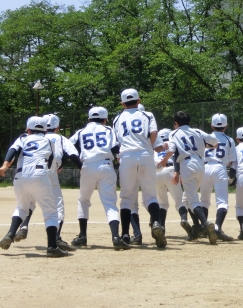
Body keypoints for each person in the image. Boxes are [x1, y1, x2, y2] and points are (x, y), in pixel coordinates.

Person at [0, 116, 69, 257]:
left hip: (20, 176)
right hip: (39, 174)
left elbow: (13, 151)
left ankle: (11, 233)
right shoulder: (49, 140)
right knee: (51, 212)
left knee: (21, 207)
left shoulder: (23, 138)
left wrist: (5, 166)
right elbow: (52, 161)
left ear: (28, 129)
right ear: (45, 130)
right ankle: (52, 247)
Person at [14, 113, 81, 252]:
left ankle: (24, 225)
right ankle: (55, 238)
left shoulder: (32, 137)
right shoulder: (60, 138)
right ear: (57, 127)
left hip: (30, 171)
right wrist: (82, 168)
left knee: (29, 201)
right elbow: (73, 154)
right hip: (49, 173)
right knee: (56, 207)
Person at [69, 107, 129, 250]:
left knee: (83, 200)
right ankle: (116, 237)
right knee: (110, 203)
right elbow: (116, 149)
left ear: (89, 119)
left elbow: (69, 149)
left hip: (87, 166)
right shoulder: (108, 130)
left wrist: (80, 165)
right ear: (104, 119)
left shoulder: (81, 132)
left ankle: (82, 236)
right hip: (106, 165)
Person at [113, 88, 165, 248]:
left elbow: (115, 142)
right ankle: (156, 222)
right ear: (139, 100)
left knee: (127, 198)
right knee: (150, 195)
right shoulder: (147, 115)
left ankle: (126, 235)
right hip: (145, 154)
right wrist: (151, 145)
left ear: (122, 103)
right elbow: (154, 132)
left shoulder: (117, 118)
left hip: (126, 156)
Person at [161, 110, 219, 244]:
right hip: (200, 163)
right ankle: (196, 227)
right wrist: (205, 145)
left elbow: (171, 150)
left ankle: (205, 224)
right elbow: (214, 142)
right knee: (187, 198)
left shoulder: (174, 133)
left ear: (176, 124)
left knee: (192, 200)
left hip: (186, 164)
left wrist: (165, 160)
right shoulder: (197, 131)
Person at [198, 113, 237, 241]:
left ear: (212, 126)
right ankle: (217, 228)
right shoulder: (229, 140)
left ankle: (204, 228)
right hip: (220, 168)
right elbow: (233, 161)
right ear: (226, 126)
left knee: (204, 200)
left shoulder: (205, 137)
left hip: (205, 167)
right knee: (222, 202)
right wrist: (232, 176)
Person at [154, 128, 193, 238]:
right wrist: (178, 173)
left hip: (156, 172)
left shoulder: (156, 147)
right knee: (179, 202)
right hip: (171, 170)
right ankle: (184, 219)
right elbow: (178, 158)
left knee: (162, 204)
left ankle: (161, 227)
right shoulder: (173, 144)